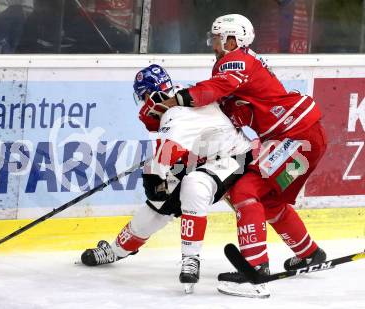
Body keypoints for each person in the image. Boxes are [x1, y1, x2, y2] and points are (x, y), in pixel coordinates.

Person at [158, 14, 327, 297]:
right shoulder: (245, 65)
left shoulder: (233, 61)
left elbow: (211, 90)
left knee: (245, 190)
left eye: (216, 38)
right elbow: (226, 106)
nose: (213, 44)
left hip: (294, 137)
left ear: (232, 40)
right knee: (268, 200)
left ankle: (255, 271)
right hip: (307, 140)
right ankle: (309, 253)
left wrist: (174, 101)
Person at [81, 64, 253, 294]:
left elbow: (168, 150)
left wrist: (152, 174)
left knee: (194, 186)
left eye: (142, 97)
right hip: (203, 158)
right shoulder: (180, 95)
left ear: (148, 94)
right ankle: (115, 250)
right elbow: (176, 149)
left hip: (234, 156)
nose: (144, 106)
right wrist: (158, 177)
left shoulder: (173, 114)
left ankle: (191, 259)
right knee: (159, 205)